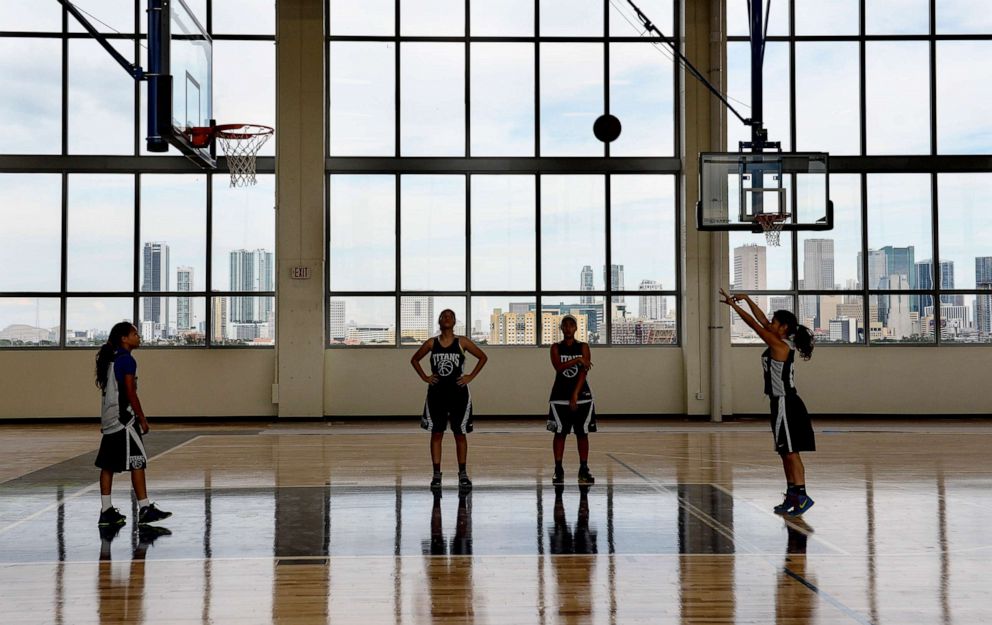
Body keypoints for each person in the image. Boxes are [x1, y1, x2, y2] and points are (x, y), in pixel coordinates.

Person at [720, 289, 816, 516]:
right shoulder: (782, 339)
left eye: (774, 322)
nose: (769, 323)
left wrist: (734, 307)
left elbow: (755, 325)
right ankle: (792, 495)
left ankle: (802, 496)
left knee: (791, 452)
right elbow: (761, 320)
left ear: (783, 327)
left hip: (786, 402)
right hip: (779, 403)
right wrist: (747, 299)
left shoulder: (780, 346)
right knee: (784, 452)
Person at [94, 322, 171, 527]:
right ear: (124, 338)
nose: (139, 337)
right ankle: (145, 508)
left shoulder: (111, 359)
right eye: (135, 334)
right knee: (138, 461)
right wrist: (142, 417)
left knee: (108, 465)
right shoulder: (127, 360)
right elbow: (130, 392)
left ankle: (106, 510)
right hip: (124, 420)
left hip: (109, 419)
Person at [411, 309, 488, 490]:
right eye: (444, 316)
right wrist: (425, 377)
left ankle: (462, 473)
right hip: (436, 394)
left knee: (459, 434)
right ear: (439, 321)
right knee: (436, 433)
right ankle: (436, 474)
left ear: (454, 322)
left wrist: (470, 376)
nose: (447, 318)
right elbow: (414, 359)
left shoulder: (462, 342)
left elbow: (483, 357)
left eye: (450, 316)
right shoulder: (432, 343)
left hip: (458, 393)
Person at [547, 315, 596, 485]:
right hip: (559, 396)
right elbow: (559, 368)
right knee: (559, 433)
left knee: (582, 433)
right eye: (565, 325)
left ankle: (584, 468)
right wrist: (577, 359)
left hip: (581, 397)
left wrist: (575, 394)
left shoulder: (583, 346)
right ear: (561, 328)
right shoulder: (555, 347)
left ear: (576, 328)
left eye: (571, 325)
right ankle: (558, 469)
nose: (568, 328)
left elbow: (584, 371)